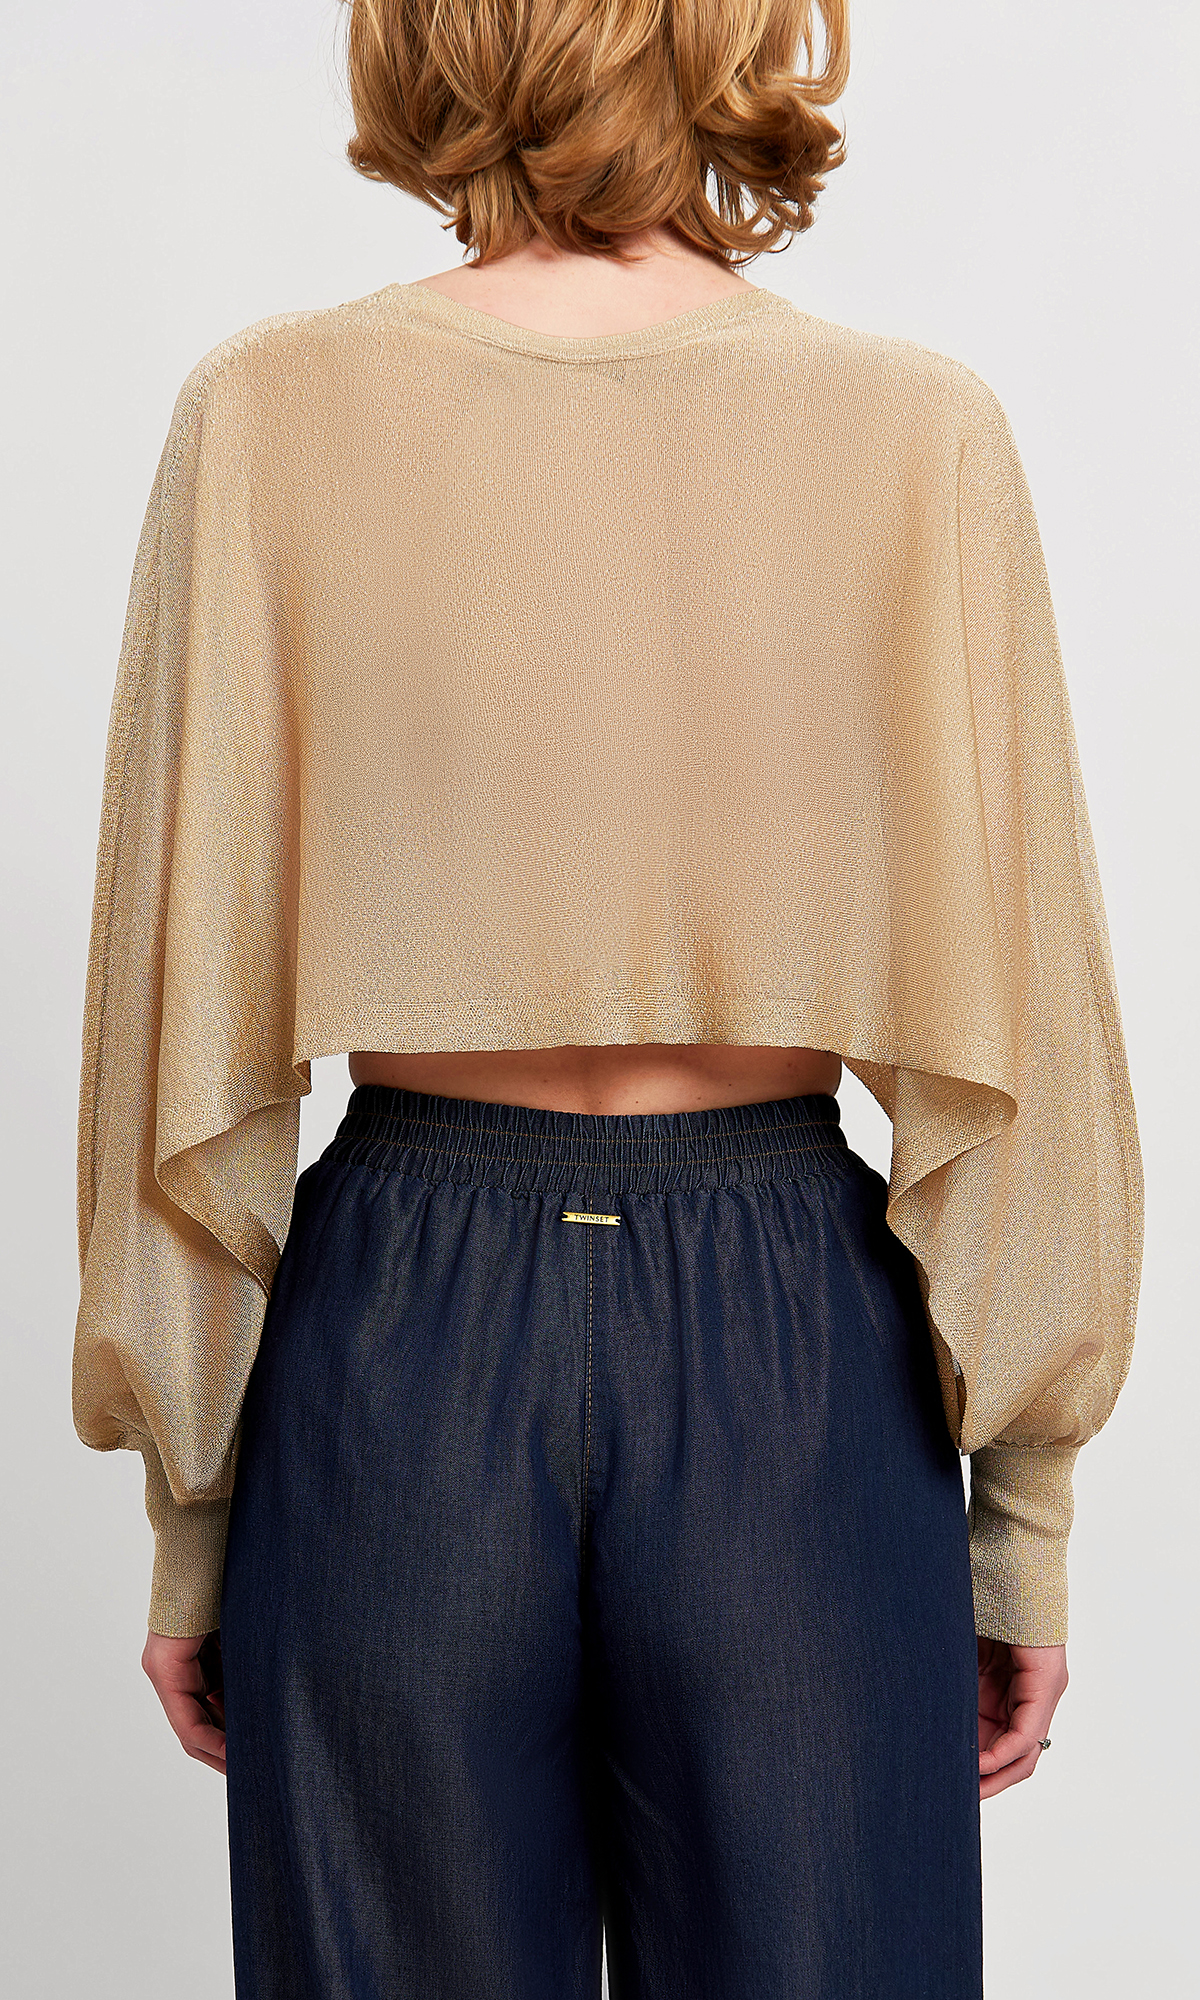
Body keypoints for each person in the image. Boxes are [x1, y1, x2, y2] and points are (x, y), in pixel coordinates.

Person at [72, 1, 1142, 1993]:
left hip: (398, 1328)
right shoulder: (916, 430)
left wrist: (195, 1506)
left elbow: (176, 1007)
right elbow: (1035, 1022)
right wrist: (1025, 1517)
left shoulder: (266, 414)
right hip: (793, 1345)